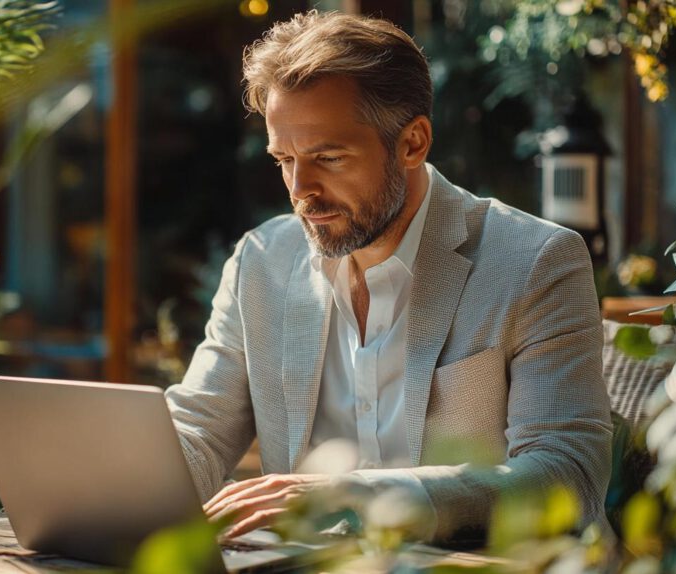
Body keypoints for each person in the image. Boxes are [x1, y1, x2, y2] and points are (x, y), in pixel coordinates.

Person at [165, 10, 612, 545]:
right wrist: (108, 480)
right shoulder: (261, 263)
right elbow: (199, 429)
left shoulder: (535, 261)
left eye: (327, 158)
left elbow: (568, 476)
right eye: (284, 159)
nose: (299, 189)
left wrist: (365, 496)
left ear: (413, 143)